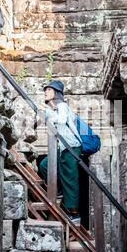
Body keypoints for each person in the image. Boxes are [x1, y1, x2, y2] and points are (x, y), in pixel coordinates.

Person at [38, 80, 82, 223]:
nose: (46, 92)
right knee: (45, 165)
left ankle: (75, 214)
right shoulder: (55, 109)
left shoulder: (62, 106)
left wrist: (47, 113)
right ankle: (59, 192)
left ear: (56, 93)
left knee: (70, 177)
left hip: (71, 146)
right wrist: (47, 112)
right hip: (63, 147)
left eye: (49, 90)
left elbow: (62, 121)